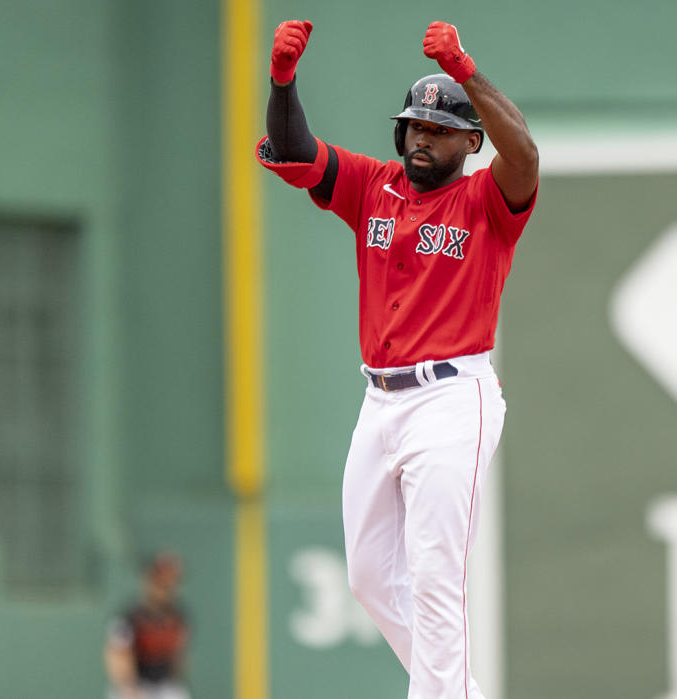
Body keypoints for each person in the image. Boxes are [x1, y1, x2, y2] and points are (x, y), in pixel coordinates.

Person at [256, 19, 538, 699]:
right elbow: (295, 151)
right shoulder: (373, 186)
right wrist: (283, 80)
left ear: (470, 142)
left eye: (439, 128)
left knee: (437, 575)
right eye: (414, 124)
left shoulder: (485, 202)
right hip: (380, 401)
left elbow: (524, 154)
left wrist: (466, 72)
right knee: (370, 575)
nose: (421, 135)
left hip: (450, 398)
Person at [104, 552, 191, 699]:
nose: (166, 589)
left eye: (170, 583)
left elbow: (179, 656)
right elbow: (116, 656)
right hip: (135, 686)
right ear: (149, 582)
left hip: (165, 686)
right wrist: (129, 690)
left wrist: (177, 682)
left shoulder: (178, 618)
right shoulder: (129, 618)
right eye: (161, 583)